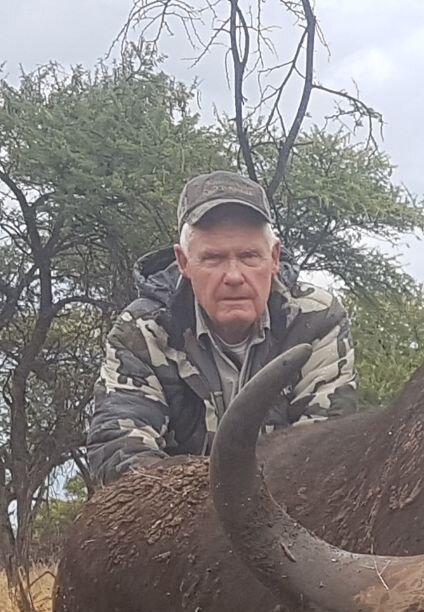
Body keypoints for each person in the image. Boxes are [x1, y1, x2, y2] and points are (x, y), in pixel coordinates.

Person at [87, 170, 356, 486]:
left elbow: (324, 450)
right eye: (213, 258)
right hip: (175, 518)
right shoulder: (143, 330)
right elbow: (120, 451)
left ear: (274, 258)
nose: (233, 276)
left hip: (288, 508)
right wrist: (206, 510)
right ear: (184, 262)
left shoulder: (317, 318)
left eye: (249, 256)